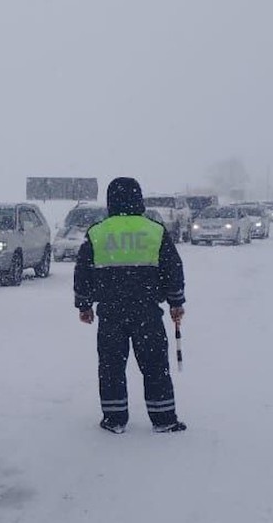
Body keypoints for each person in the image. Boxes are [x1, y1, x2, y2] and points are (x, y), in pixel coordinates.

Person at [74, 177, 186, 434]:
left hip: (111, 312)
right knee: (155, 365)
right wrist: (176, 302)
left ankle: (114, 419)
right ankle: (163, 419)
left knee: (111, 367)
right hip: (147, 311)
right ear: (139, 199)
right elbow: (172, 269)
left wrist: (84, 304)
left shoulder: (97, 231)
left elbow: (83, 271)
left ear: (110, 200)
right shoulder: (154, 230)